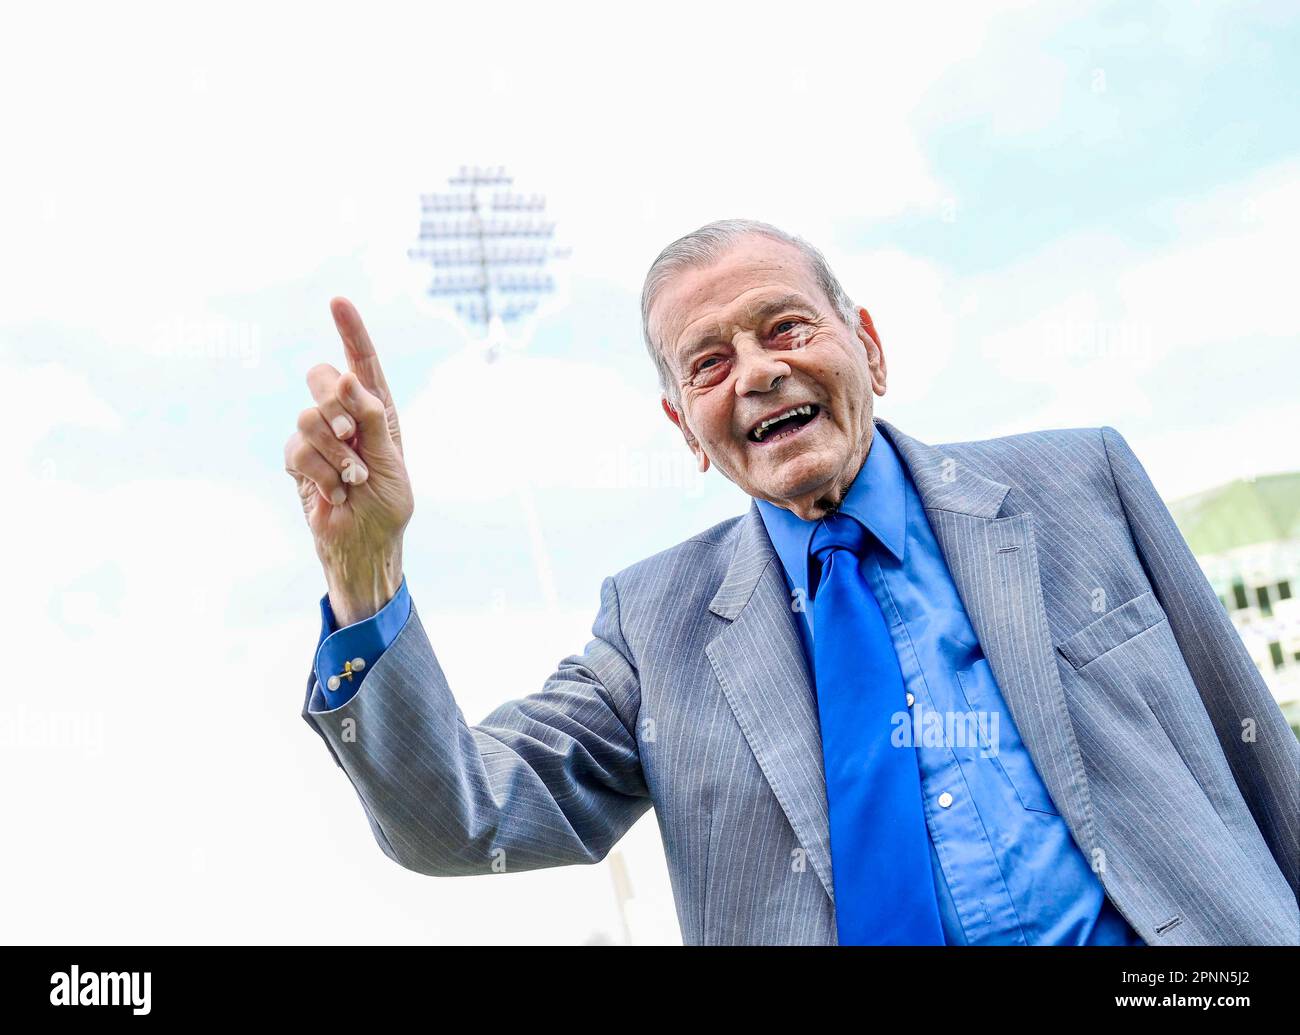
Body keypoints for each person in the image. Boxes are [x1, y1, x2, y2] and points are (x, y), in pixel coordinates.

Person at [283, 218, 1299, 945]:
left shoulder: (1080, 481)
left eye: (784, 328)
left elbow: (1254, 751)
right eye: (709, 362)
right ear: (685, 428)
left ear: (869, 347)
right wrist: (364, 578)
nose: (758, 372)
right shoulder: (652, 630)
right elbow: (466, 816)